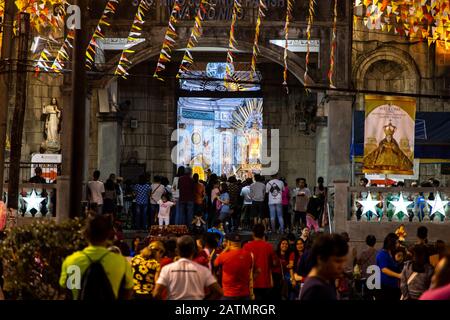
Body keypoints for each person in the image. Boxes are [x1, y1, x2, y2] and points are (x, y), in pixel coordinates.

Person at [59, 215, 134, 300]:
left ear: (85, 234)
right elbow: (128, 291)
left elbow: (66, 290)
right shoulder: (121, 262)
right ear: (109, 234)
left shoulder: (72, 261)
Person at [153, 236, 222, 300]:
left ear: (177, 251)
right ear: (193, 251)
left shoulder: (167, 269)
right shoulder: (203, 270)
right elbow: (219, 292)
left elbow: (156, 293)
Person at [299, 233, 349, 301]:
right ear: (321, 259)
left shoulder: (325, 281)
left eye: (343, 261)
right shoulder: (316, 290)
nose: (342, 267)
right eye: (338, 261)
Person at [214, 233, 254, 300]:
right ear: (240, 242)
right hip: (245, 293)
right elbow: (254, 271)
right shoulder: (248, 255)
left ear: (229, 242)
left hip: (228, 293)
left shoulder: (224, 256)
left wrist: (226, 249)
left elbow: (215, 263)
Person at [243, 224, 277, 300]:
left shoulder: (246, 246)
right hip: (266, 281)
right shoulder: (269, 246)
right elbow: (274, 263)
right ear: (263, 233)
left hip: (251, 282)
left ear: (253, 233)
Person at [375, 233, 401, 300]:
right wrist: (399, 275)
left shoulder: (389, 253)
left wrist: (397, 261)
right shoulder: (382, 254)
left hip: (392, 286)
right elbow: (384, 269)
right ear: (391, 243)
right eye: (397, 243)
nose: (398, 245)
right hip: (385, 287)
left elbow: (392, 267)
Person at [356, 235, 377, 300]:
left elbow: (358, 262)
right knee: (375, 295)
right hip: (376, 278)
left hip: (366, 278)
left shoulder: (363, 253)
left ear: (366, 242)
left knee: (367, 296)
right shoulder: (378, 253)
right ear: (375, 242)